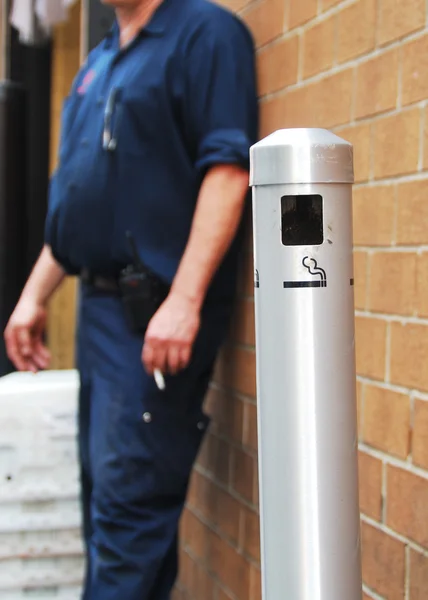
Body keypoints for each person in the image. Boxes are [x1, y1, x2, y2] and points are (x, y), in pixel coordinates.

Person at [4, 0, 258, 597]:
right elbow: (79, 203)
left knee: (127, 511)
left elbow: (228, 169)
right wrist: (33, 295)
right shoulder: (98, 63)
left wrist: (186, 298)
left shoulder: (206, 34)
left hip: (152, 318)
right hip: (96, 314)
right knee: (106, 504)